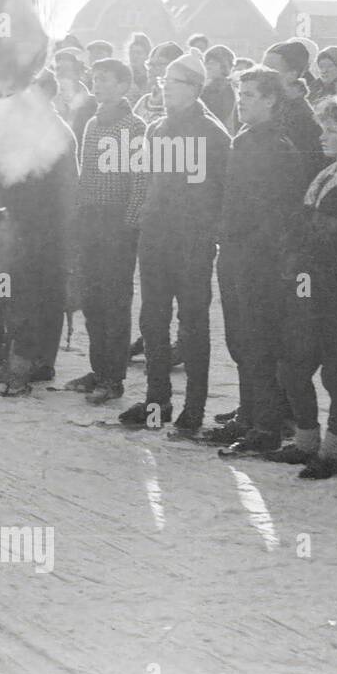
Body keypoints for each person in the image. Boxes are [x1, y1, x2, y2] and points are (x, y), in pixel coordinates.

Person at [120, 51, 230, 433]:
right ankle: (157, 403)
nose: (165, 89)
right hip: (155, 239)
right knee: (152, 321)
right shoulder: (156, 129)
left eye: (174, 83)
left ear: (196, 88)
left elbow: (218, 197)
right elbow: (150, 184)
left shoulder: (213, 134)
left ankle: (193, 409)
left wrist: (204, 239)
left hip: (192, 244)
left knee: (192, 325)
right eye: (163, 82)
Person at [211, 68, 309, 455]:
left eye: (251, 94)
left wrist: (257, 253)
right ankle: (248, 415)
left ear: (271, 99)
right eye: (241, 93)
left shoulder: (280, 148)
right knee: (239, 340)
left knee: (259, 342)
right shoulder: (244, 139)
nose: (243, 100)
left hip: (260, 259)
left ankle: (266, 428)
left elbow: (280, 213)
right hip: (234, 253)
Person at [266, 98, 337, 478]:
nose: (322, 136)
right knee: (293, 362)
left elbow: (333, 238)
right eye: (323, 128)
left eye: (332, 130)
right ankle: (305, 441)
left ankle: (332, 454)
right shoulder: (329, 172)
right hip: (306, 282)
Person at [0, 69, 78, 393]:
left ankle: (31, 367)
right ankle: (15, 362)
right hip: (16, 226)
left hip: (44, 232)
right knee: (12, 297)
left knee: (38, 301)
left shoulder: (57, 135)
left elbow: (62, 195)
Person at [64, 57, 147, 404]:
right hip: (91, 221)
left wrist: (129, 226)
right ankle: (98, 370)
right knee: (92, 300)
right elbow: (85, 177)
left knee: (114, 301)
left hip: (117, 224)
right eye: (94, 79)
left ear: (123, 86)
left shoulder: (135, 127)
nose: (97, 85)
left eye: (105, 80)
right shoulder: (93, 122)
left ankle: (113, 379)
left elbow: (140, 182)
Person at [263, 41, 325, 178]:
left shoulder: (303, 118)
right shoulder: (267, 106)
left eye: (269, 70)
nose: (260, 74)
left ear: (292, 74)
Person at [133, 41, 183, 124]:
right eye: (150, 64)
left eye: (160, 64)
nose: (151, 69)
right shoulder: (144, 102)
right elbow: (126, 133)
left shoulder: (185, 104)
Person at [200, 44, 237, 133]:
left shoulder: (223, 88)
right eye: (206, 63)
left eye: (212, 63)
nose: (208, 66)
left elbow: (217, 115)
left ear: (224, 66)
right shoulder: (208, 85)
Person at [125, 32, 152, 100]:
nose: (134, 56)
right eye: (132, 52)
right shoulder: (122, 73)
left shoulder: (152, 75)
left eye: (139, 53)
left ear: (147, 55)